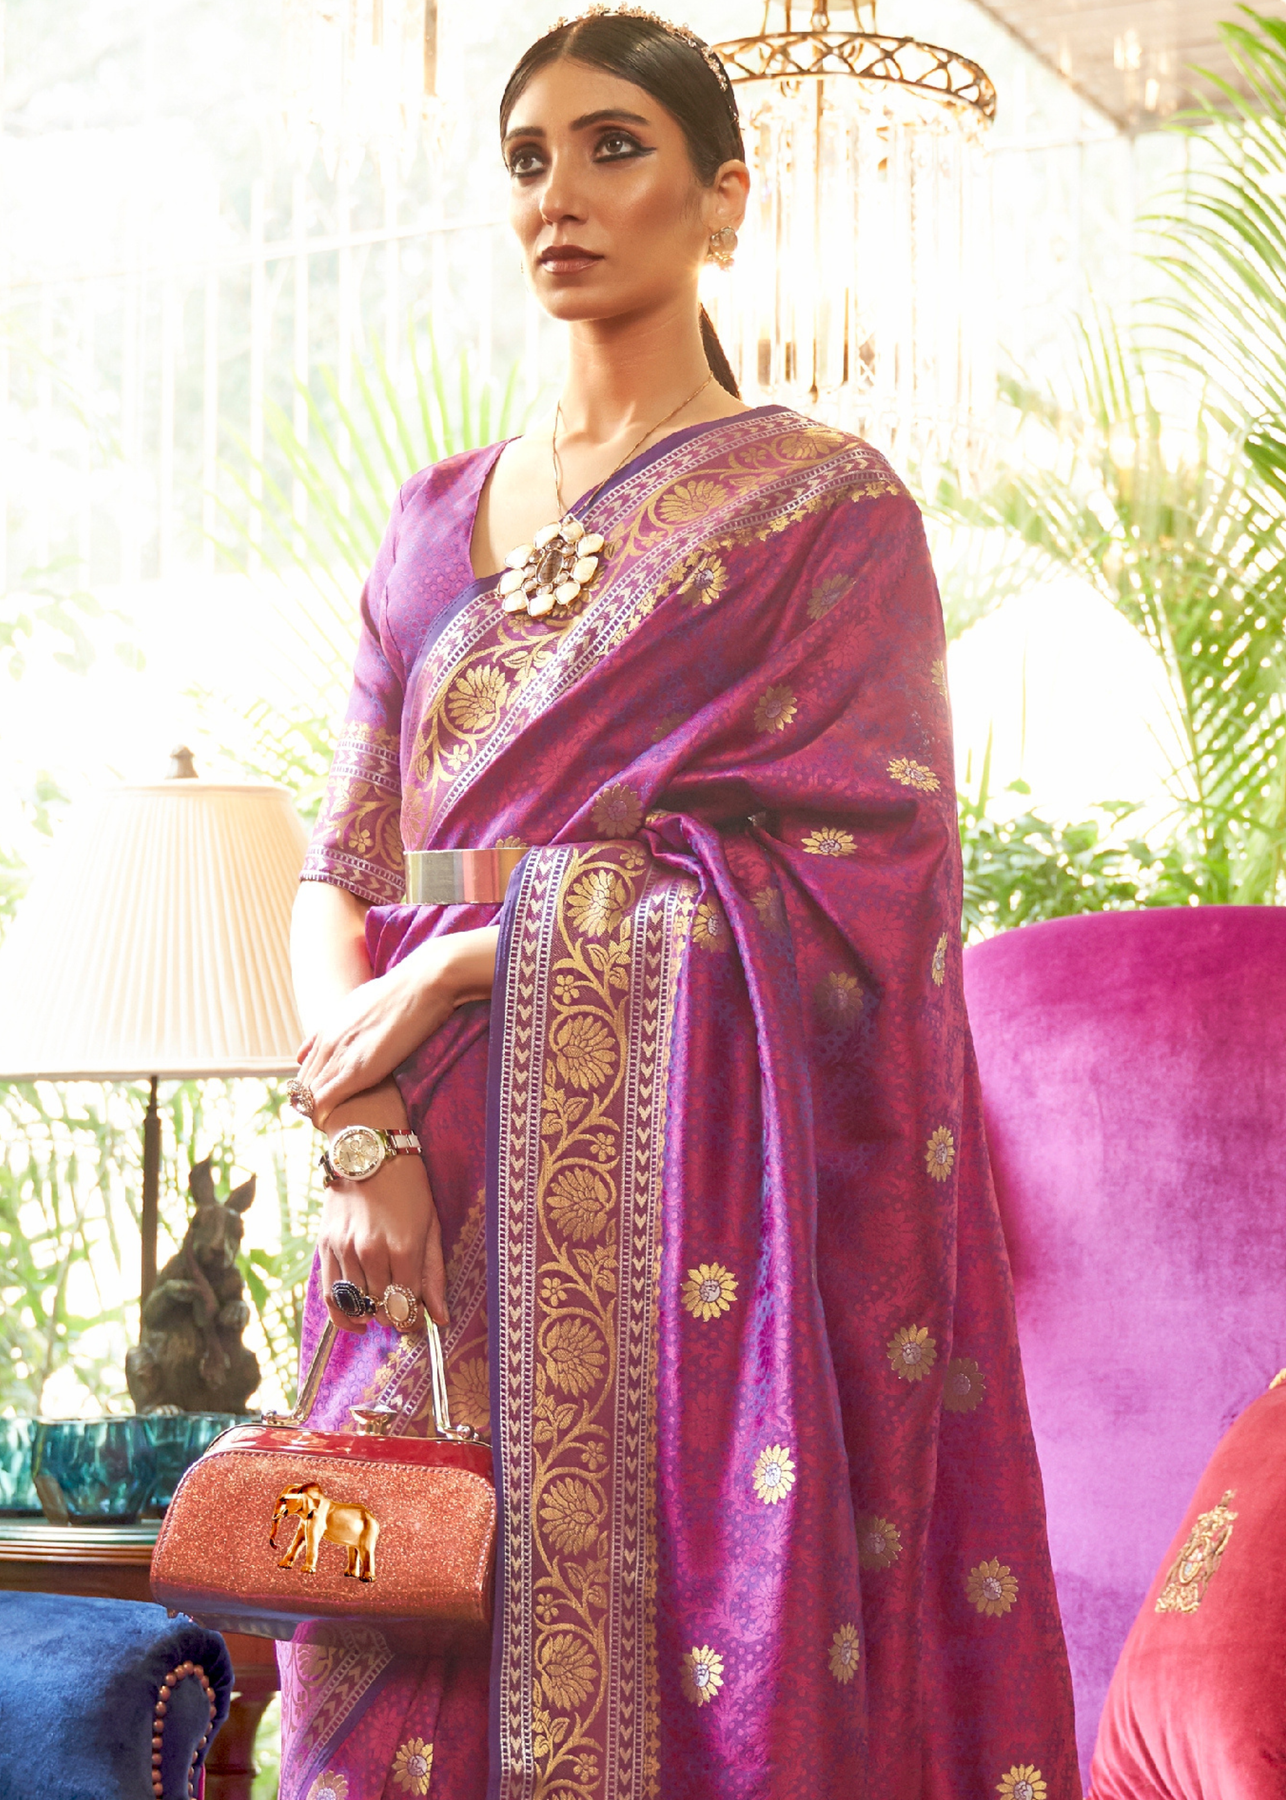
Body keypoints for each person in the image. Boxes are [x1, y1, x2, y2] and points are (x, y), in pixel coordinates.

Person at [280, 10, 1079, 1798]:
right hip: (413, 1169)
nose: (558, 195)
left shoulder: (824, 515)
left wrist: (475, 961)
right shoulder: (426, 524)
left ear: (724, 200)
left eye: (613, 147)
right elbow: (341, 875)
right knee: (387, 1642)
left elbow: (864, 894)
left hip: (695, 1188)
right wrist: (359, 1134)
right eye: (527, 158)